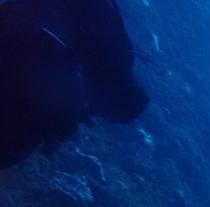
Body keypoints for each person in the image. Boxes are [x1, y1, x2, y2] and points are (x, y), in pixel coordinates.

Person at [0, 0, 148, 169]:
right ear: (112, 107)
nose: (97, 115)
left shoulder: (120, 58)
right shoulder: (86, 84)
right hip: (30, 28)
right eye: (105, 115)